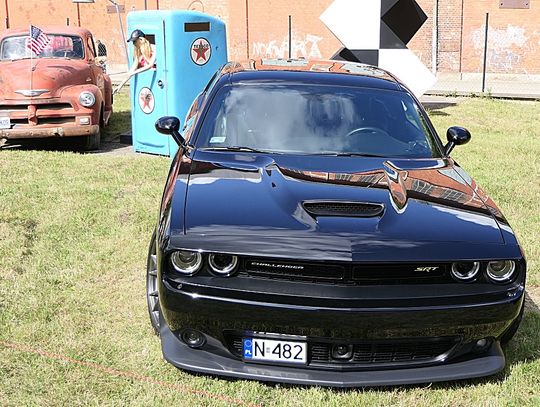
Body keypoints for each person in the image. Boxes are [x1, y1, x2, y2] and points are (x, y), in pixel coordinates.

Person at [113, 29, 156, 95]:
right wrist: (120, 85)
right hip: (146, 84)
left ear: (141, 39)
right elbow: (130, 72)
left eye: (135, 41)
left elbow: (150, 65)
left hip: (155, 82)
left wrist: (134, 72)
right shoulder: (138, 53)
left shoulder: (154, 48)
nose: (134, 44)